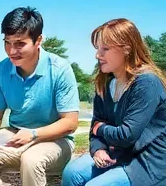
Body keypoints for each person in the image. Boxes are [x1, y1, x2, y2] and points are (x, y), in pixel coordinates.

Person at [0, 7, 80, 186]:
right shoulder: (1, 70)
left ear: (38, 40)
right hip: (15, 135)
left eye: (19, 44)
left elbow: (70, 123)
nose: (11, 51)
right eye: (7, 42)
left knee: (32, 160)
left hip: (56, 140)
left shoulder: (60, 69)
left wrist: (33, 134)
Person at [62, 18, 166, 186]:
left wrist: (100, 128)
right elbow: (96, 123)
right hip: (117, 154)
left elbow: (126, 135)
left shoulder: (147, 83)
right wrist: (98, 149)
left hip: (147, 161)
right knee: (71, 173)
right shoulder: (106, 82)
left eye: (105, 49)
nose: (98, 55)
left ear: (127, 50)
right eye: (97, 49)